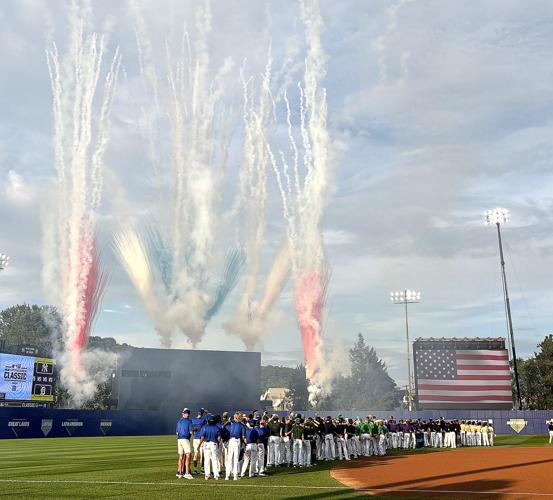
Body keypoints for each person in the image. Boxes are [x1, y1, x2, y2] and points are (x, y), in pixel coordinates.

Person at [199, 415, 222, 480]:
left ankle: (207, 475)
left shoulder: (204, 427)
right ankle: (216, 475)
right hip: (214, 443)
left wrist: (199, 445)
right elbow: (219, 437)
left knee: (207, 460)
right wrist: (217, 442)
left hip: (206, 444)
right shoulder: (216, 427)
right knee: (214, 459)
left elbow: (202, 437)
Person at [176, 408, 194, 480]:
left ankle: (180, 473)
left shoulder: (179, 421)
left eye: (187, 413)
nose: (187, 414)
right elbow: (191, 432)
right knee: (188, 455)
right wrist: (194, 430)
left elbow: (177, 432)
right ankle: (187, 473)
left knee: (181, 456)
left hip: (179, 439)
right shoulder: (189, 421)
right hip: (185, 439)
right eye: (187, 413)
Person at [225, 412, 244, 481]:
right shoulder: (241, 425)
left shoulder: (232, 425)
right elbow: (243, 436)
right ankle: (235, 476)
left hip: (231, 441)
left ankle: (227, 476)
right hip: (236, 441)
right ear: (240, 417)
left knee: (229, 458)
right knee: (235, 459)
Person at [191, 409, 207, 474]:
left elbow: (192, 430)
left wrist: (194, 435)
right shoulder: (203, 420)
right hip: (201, 439)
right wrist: (206, 413)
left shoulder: (193, 420)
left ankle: (195, 469)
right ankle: (202, 469)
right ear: (202, 413)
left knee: (195, 454)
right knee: (202, 455)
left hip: (195, 439)